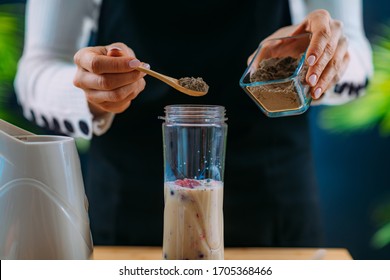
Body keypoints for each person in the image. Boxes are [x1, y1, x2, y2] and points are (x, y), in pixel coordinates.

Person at [15, 0, 372, 247]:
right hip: (130, 199)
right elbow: (37, 69)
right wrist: (91, 93)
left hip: (272, 197)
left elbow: (354, 53)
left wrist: (321, 62)